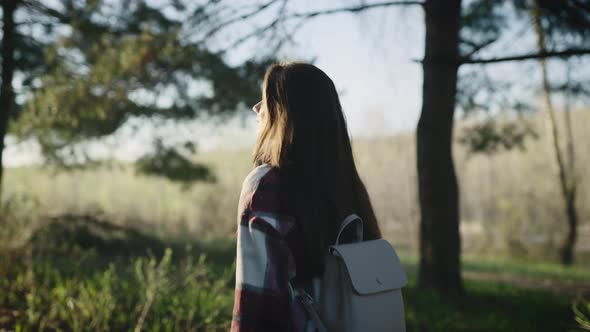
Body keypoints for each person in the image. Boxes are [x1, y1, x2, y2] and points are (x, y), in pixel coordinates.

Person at [231, 62, 382, 332]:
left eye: (265, 100)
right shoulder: (347, 186)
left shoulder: (265, 186)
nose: (256, 109)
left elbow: (257, 308)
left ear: (282, 114)